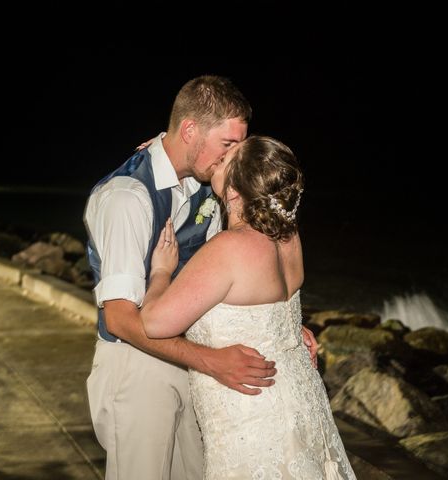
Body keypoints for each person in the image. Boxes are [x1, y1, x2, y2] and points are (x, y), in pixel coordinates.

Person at [83, 75, 319, 480]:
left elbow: (244, 276)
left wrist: (282, 329)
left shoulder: (210, 180)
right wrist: (211, 361)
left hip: (194, 360)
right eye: (229, 145)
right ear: (190, 130)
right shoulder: (127, 198)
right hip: (138, 365)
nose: (235, 157)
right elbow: (120, 318)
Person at [141, 135, 357, 479]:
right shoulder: (289, 237)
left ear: (234, 191)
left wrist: (161, 272)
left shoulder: (228, 249)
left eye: (227, 159)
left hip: (252, 419)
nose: (220, 157)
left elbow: (153, 323)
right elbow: (268, 313)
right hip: (300, 403)